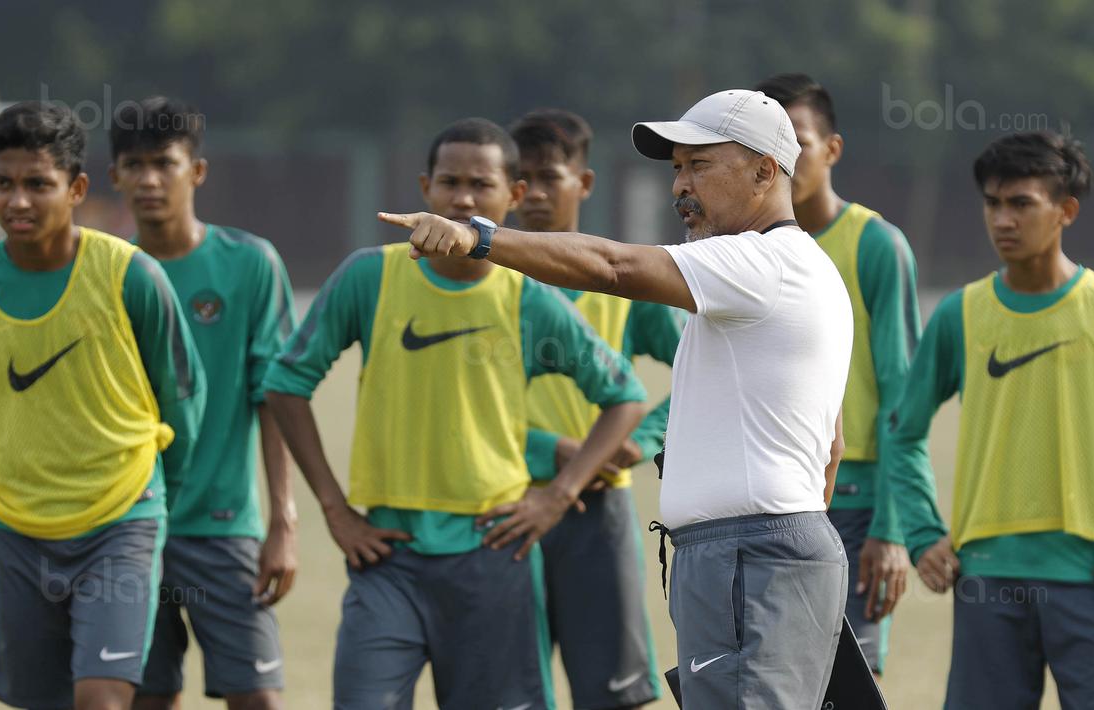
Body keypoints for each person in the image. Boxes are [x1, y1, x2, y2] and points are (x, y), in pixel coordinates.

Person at [382, 89, 852, 707]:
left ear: (766, 170)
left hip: (750, 553)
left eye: (700, 165)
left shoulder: (761, 263)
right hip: (755, 552)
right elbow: (832, 445)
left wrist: (481, 238)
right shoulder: (796, 268)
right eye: (677, 168)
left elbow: (612, 266)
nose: (680, 186)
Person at [263, 117, 647, 709]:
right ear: (425, 188)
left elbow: (622, 396)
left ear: (513, 196)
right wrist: (335, 510)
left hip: (492, 553)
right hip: (387, 555)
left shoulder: (528, 297)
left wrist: (556, 496)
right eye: (449, 182)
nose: (462, 197)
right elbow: (286, 384)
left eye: (481, 184)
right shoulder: (371, 275)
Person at [0, 101, 206, 710]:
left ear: (77, 188)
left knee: (102, 699)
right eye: (3, 184)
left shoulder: (130, 275)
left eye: (38, 184)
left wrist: (164, 492)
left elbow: (182, 395)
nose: (18, 201)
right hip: (18, 529)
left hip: (121, 518)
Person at [884, 131, 1094, 708]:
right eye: (992, 203)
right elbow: (903, 432)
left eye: (1021, 203)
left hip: (1089, 579)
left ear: (1065, 211)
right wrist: (923, 533)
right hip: (985, 584)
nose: (1002, 219)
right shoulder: (961, 314)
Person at [108, 96, 298, 710]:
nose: (149, 179)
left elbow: (273, 395)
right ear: (114, 177)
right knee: (146, 700)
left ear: (198, 171)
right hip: (127, 526)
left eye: (164, 162)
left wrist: (283, 522)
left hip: (223, 528)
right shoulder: (106, 272)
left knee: (258, 698)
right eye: (133, 165)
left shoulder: (250, 264)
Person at [510, 108, 684, 709]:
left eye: (548, 177)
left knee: (613, 694)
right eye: (520, 178)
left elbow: (699, 369)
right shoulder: (485, 281)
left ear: (582, 184)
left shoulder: (624, 281)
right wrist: (543, 448)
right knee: (512, 693)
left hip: (597, 512)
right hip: (503, 501)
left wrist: (643, 440)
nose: (532, 193)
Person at [756, 73, 920, 676]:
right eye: (766, 143)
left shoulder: (877, 245)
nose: (784, 158)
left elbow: (905, 392)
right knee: (770, 678)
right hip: (767, 499)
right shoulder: (741, 250)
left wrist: (893, 528)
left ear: (833, 149)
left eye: (797, 140)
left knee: (847, 683)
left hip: (856, 507)